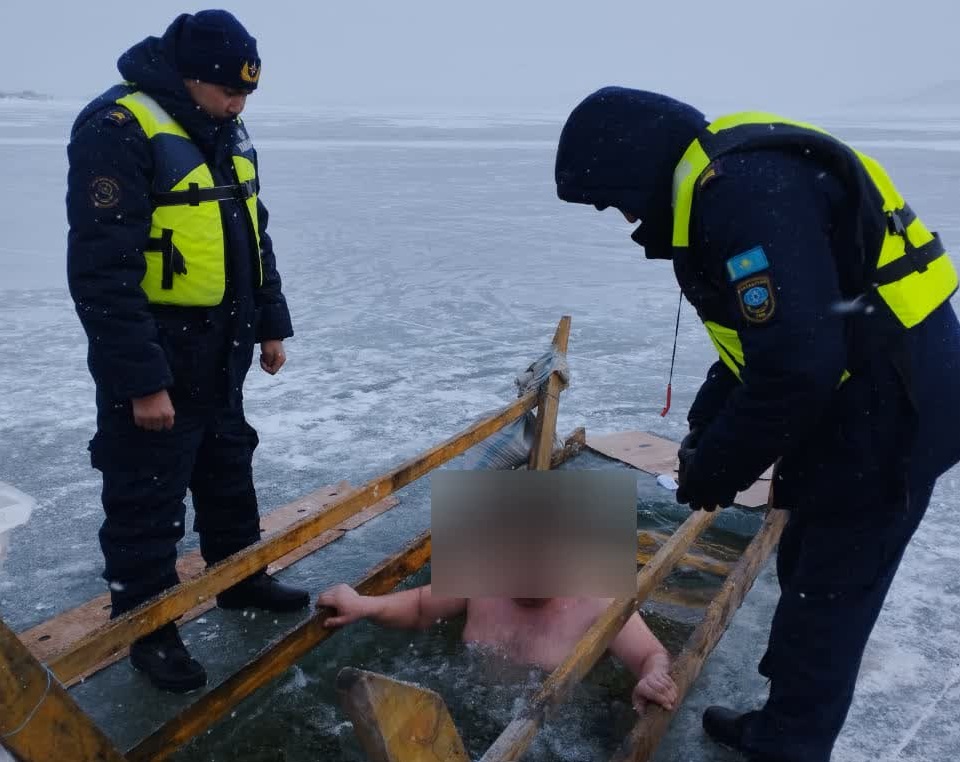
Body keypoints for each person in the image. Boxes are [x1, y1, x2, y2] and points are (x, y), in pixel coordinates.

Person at [553, 87, 960, 761]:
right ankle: (783, 724)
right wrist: (707, 423)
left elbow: (797, 365)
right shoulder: (739, 178)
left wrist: (717, 467)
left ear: (638, 166)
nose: (626, 218)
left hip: (892, 409)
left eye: (617, 199)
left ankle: (788, 747)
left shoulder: (740, 195)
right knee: (808, 565)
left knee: (831, 590)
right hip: (871, 388)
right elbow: (769, 340)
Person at [66, 10, 310, 693]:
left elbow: (253, 233)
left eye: (247, 93)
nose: (238, 105)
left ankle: (240, 577)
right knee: (147, 490)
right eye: (229, 91)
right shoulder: (118, 128)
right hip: (157, 345)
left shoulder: (225, 129)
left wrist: (270, 323)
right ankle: (147, 627)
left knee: (228, 463)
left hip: (223, 341)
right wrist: (142, 381)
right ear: (188, 77)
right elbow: (101, 272)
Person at [317, 583, 679, 712]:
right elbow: (420, 606)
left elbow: (651, 655)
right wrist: (365, 604)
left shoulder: (600, 602)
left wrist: (653, 677)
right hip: (467, 703)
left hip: (557, 729)